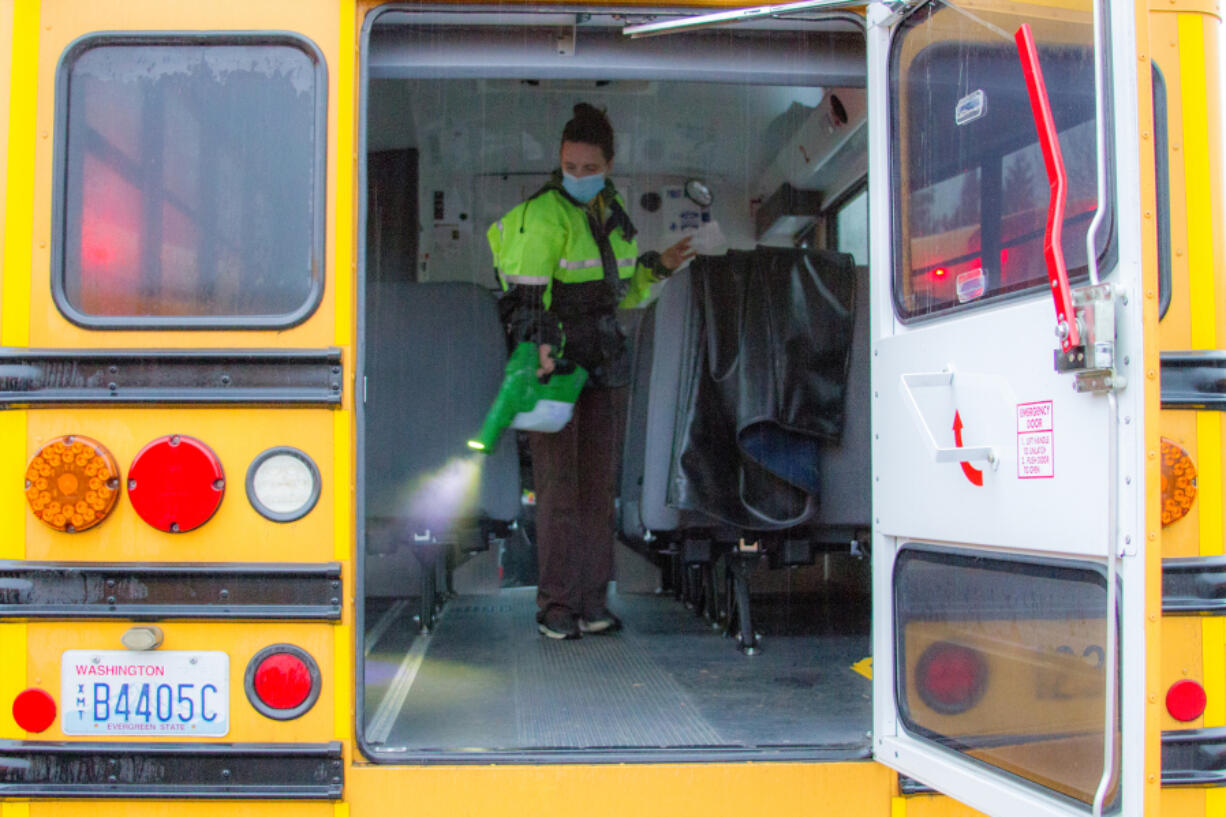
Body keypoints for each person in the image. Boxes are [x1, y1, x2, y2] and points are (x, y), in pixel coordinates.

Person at [487, 103, 695, 640]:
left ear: (608, 164)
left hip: (603, 364)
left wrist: (662, 265)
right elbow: (526, 298)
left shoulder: (612, 214)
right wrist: (539, 348)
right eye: (569, 166)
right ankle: (556, 606)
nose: (578, 176)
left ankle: (593, 601)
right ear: (559, 162)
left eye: (588, 167)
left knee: (597, 491)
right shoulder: (545, 214)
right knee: (557, 491)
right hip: (555, 365)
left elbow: (621, 291)